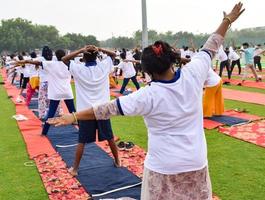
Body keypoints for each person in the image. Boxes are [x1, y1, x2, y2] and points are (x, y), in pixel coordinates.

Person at [48, 3, 245, 199]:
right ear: (171, 59)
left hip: (162, 167)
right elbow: (212, 44)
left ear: (147, 71)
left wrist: (73, 116)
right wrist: (227, 20)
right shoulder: (194, 73)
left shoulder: (147, 95)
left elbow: (106, 109)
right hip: (195, 163)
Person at [59, 45, 120, 176]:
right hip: (102, 110)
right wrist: (99, 48)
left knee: (82, 141)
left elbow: (64, 59)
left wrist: (80, 50)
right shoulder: (103, 67)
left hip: (85, 112)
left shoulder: (78, 69)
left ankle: (75, 169)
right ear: (96, 56)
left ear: (84, 58)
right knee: (109, 137)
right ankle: (118, 161)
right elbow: (113, 55)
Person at [17, 49, 76, 135]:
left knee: (50, 114)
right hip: (67, 92)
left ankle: (44, 132)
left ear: (56, 56)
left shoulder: (51, 64)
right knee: (74, 113)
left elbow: (37, 63)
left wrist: (25, 60)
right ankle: (83, 131)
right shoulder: (70, 64)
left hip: (55, 93)